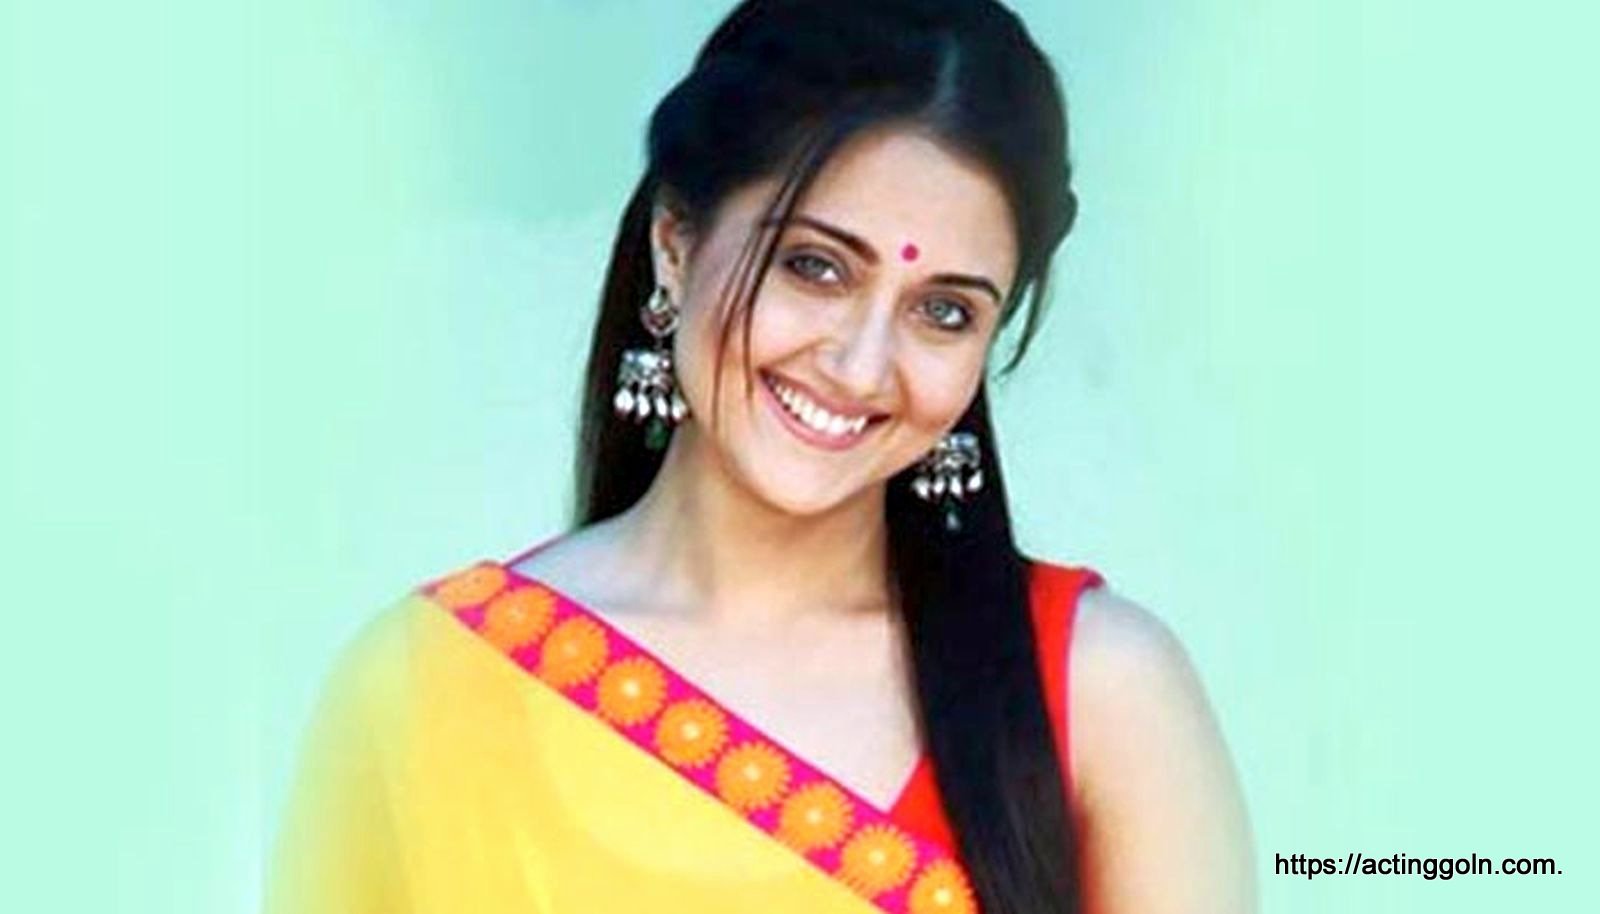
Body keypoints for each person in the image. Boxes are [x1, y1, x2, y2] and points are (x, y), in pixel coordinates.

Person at [263, 1, 1255, 912]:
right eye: (814, 267)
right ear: (675, 245)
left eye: (944, 312)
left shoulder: (1101, 695)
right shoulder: (424, 687)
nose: (861, 365)